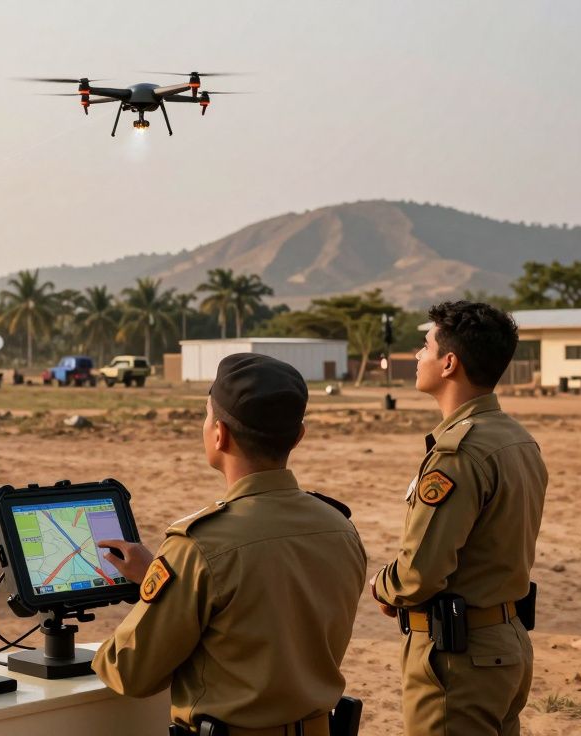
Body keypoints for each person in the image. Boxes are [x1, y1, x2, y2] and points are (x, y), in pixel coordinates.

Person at [94, 353, 367, 735]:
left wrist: (161, 589)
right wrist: (163, 580)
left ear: (219, 434)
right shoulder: (338, 527)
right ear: (298, 436)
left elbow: (130, 672)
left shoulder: (200, 544)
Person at [370, 301, 547, 736]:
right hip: (505, 642)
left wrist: (383, 586)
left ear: (449, 363)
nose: (417, 355)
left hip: (461, 658)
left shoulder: (459, 454)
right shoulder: (516, 438)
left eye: (425, 346)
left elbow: (420, 573)